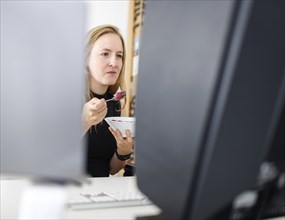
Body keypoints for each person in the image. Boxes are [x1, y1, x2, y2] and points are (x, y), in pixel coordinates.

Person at [81, 25, 134, 177]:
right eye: (105, 54)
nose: (114, 63)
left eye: (119, 55)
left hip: (101, 192)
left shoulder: (115, 104)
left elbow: (111, 169)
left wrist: (123, 152)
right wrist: (83, 122)